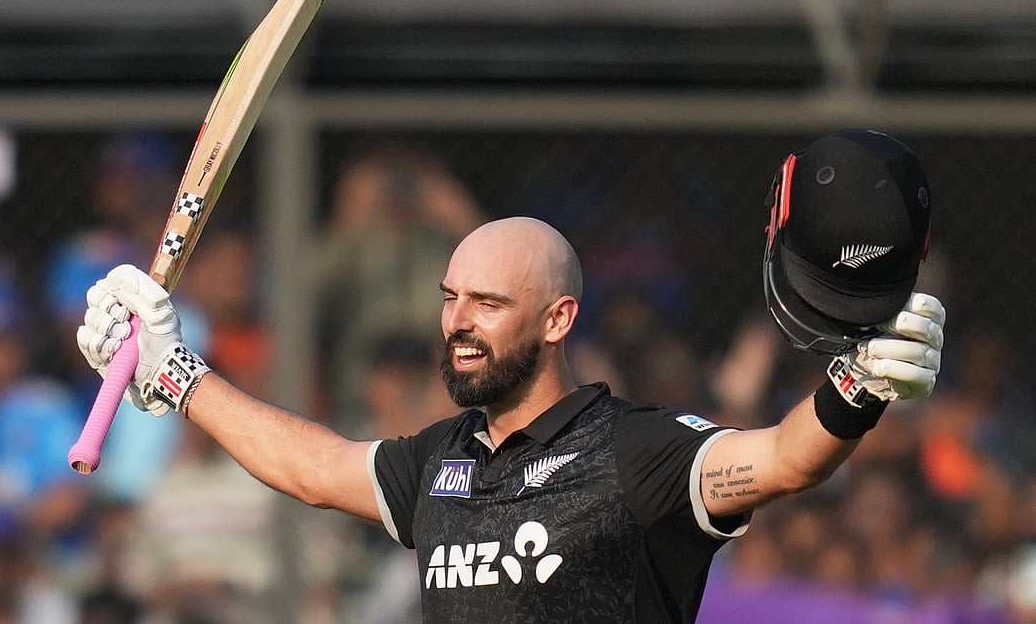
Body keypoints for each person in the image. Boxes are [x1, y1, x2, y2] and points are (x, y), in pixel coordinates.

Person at [75, 132, 945, 623]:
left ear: (558, 319)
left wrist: (857, 387)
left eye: (487, 302)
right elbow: (313, 465)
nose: (456, 319)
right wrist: (180, 372)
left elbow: (786, 457)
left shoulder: (634, 452)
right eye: (451, 297)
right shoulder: (438, 463)